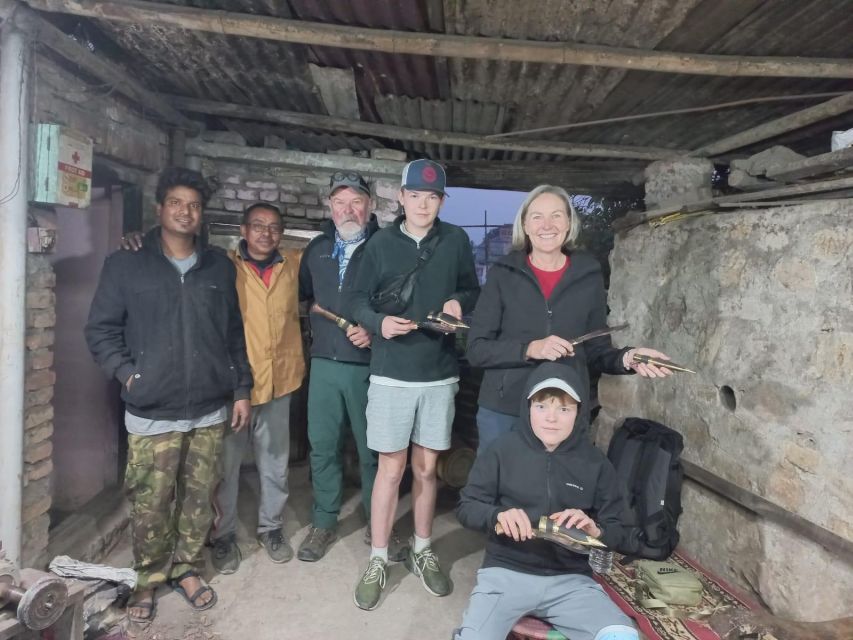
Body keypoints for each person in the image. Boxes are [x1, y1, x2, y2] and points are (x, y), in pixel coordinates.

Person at [85, 167, 252, 623]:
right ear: (160, 209)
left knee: (199, 498)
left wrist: (241, 388)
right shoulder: (127, 263)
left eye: (194, 205)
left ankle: (187, 568)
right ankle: (148, 579)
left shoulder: (218, 265)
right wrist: (128, 375)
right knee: (150, 501)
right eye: (176, 202)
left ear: (202, 215)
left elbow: (233, 334)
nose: (185, 211)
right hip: (151, 410)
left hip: (209, 408)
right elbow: (101, 330)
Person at [350, 159, 480, 611]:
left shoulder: (457, 240)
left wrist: (457, 302)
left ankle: (423, 550)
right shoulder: (380, 244)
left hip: (439, 374)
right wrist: (378, 322)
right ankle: (379, 557)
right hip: (390, 374)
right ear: (401, 198)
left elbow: (471, 289)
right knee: (391, 469)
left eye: (433, 197)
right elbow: (354, 299)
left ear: (441, 201)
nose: (423, 204)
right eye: (415, 195)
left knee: (426, 470)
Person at [466, 184, 672, 453]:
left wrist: (628, 358)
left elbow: (597, 350)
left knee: (561, 493)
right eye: (537, 216)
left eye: (556, 215)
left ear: (569, 223)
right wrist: (531, 349)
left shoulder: (588, 274)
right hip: (505, 412)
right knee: (497, 491)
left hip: (564, 410)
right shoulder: (503, 274)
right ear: (526, 225)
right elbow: (476, 349)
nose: (547, 225)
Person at [453, 361, 638, 640]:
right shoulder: (501, 451)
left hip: (570, 581)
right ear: (528, 408)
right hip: (505, 574)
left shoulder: (595, 463)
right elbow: (467, 507)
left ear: (578, 412)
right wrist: (496, 515)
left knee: (622, 636)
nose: (551, 418)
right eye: (542, 406)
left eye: (563, 409)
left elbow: (622, 530)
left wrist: (596, 531)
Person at [296, 172, 404, 563]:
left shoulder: (388, 247)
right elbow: (304, 298)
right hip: (324, 363)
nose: (348, 209)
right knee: (322, 446)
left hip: (369, 366)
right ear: (330, 206)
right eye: (340, 201)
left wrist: (375, 332)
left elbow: (401, 304)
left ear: (370, 206)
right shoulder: (318, 249)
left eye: (356, 201)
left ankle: (380, 527)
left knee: (373, 450)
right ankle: (324, 521)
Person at [209, 202, 305, 571]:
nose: (266, 233)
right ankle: (223, 535)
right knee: (226, 466)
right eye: (258, 226)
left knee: (275, 463)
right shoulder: (222, 267)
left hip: (280, 381)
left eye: (274, 227)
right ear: (243, 231)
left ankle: (271, 528)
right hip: (234, 387)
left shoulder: (293, 266)